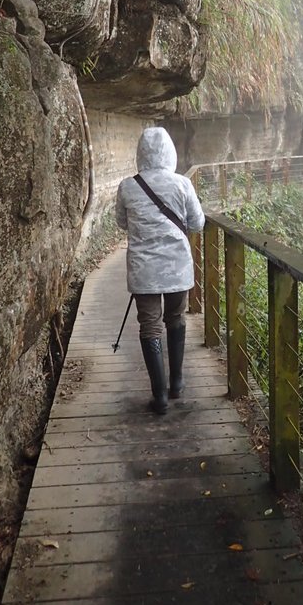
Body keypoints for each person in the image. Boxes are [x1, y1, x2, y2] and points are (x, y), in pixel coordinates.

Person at [115, 126, 205, 414]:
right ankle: (177, 383)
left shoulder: (128, 186)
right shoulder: (182, 184)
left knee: (150, 326)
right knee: (176, 318)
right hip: (177, 268)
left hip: (144, 271)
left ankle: (160, 396)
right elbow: (197, 223)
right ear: (170, 152)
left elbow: (121, 222)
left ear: (140, 154)